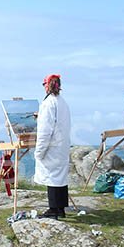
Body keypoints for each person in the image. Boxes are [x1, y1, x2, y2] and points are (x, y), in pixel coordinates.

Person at [34, 74, 72, 219]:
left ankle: (54, 209)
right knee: (60, 177)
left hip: (52, 145)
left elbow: (45, 130)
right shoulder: (62, 102)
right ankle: (61, 208)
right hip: (62, 144)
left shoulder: (48, 103)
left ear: (47, 85)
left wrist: (39, 151)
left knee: (52, 178)